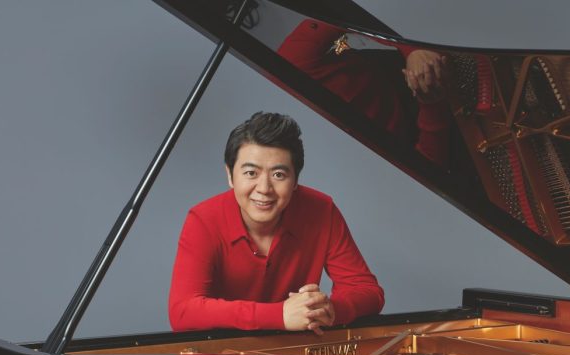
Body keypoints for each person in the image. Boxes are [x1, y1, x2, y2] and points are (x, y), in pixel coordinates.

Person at [168, 112, 384, 335]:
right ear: (230, 175)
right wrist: (278, 315)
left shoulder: (321, 210)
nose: (264, 188)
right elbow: (183, 312)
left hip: (297, 353)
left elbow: (368, 291)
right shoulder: (203, 220)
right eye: (251, 173)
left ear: (295, 181)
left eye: (279, 175)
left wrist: (330, 309)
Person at [277, 20, 452, 169]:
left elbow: (346, 13)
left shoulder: (286, 65)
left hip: (394, 73)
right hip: (418, 137)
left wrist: (412, 49)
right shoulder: (315, 163)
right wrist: (432, 105)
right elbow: (428, 167)